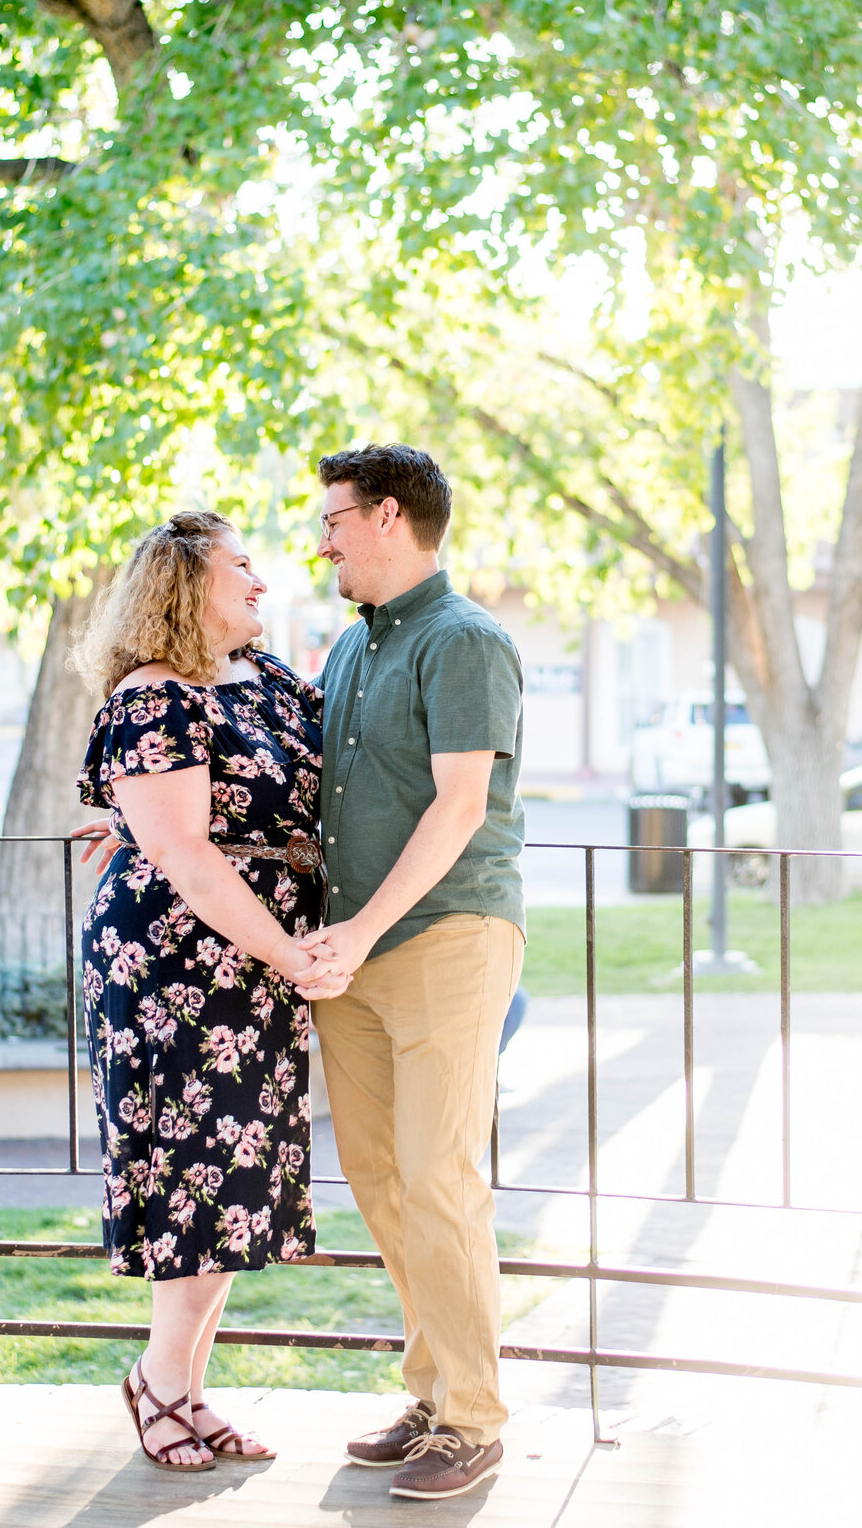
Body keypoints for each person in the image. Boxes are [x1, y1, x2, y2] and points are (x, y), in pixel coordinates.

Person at [72, 511, 341, 1474]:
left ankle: (180, 1387)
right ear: (186, 587)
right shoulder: (153, 699)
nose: (261, 583)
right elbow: (184, 851)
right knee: (193, 1184)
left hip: (256, 970)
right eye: (241, 569)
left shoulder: (266, 681)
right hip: (173, 971)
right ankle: (159, 1383)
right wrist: (291, 951)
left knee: (229, 1187)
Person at [297, 443, 525, 1503]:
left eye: (335, 516)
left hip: (444, 937)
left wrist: (361, 928)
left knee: (439, 1176)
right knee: (384, 1183)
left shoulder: (465, 639)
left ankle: (474, 1418)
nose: (322, 536)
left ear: (388, 516)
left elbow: (458, 806)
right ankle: (434, 1393)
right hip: (356, 953)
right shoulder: (348, 649)